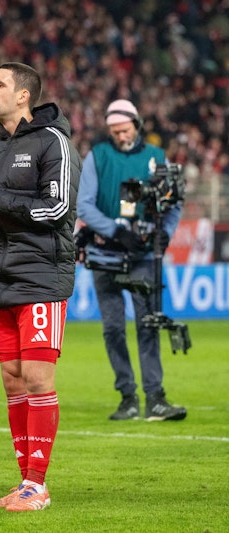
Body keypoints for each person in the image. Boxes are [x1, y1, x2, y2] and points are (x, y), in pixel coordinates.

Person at [0, 63, 80, 511]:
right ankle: (24, 481)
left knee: (38, 379)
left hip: (41, 275)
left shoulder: (53, 142)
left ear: (23, 95)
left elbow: (57, 209)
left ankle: (38, 486)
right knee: (12, 381)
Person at [76, 99, 186, 422]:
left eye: (124, 130)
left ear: (137, 125)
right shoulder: (97, 156)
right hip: (105, 253)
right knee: (113, 329)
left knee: (148, 326)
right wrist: (116, 231)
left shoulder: (157, 157)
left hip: (143, 255)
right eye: (114, 131)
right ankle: (128, 396)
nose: (120, 136)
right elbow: (84, 205)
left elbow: (174, 202)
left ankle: (155, 398)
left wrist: (166, 233)